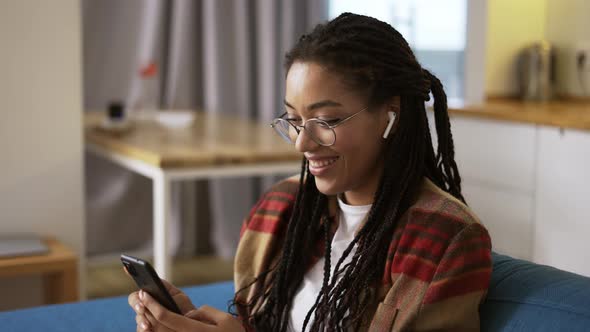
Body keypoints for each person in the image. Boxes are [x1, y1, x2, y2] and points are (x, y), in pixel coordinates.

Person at [128, 12, 492, 332]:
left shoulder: (445, 239)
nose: (302, 143)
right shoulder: (279, 209)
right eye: (294, 120)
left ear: (390, 116)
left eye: (327, 120)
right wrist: (187, 321)